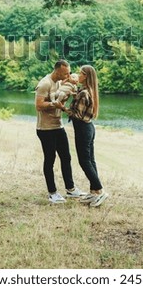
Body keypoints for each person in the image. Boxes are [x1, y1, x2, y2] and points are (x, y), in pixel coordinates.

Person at [35, 60, 85, 204]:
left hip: (58, 126)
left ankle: (70, 189)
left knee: (66, 157)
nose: (68, 75)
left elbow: (61, 99)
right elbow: (38, 105)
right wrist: (53, 104)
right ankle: (52, 193)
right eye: (65, 73)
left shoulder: (60, 83)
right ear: (57, 71)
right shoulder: (45, 84)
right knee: (50, 159)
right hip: (45, 129)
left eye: (69, 72)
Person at [59, 65, 108, 208]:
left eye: (80, 73)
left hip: (82, 129)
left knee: (84, 161)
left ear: (86, 76)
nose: (77, 75)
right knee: (90, 160)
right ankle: (94, 191)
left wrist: (63, 108)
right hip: (89, 128)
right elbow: (79, 97)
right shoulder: (88, 91)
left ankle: (99, 190)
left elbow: (78, 115)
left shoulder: (84, 93)